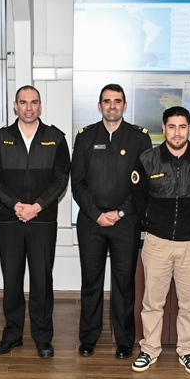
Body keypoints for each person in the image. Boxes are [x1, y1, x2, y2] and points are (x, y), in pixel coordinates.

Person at [130, 106, 190, 376]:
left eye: (182, 127)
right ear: (164, 128)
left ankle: (187, 350)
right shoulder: (147, 159)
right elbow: (138, 199)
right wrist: (150, 224)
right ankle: (149, 349)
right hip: (157, 242)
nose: (177, 133)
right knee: (152, 302)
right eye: (171, 127)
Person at [0, 85, 70, 359]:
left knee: (41, 280)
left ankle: (43, 337)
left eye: (34, 102)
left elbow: (61, 180)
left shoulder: (55, 138)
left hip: (42, 220)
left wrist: (37, 207)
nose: (29, 107)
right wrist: (15, 205)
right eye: (23, 102)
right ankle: (12, 335)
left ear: (40, 105)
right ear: (15, 105)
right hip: (9, 220)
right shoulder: (1, 138)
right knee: (12, 279)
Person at [71, 84, 152, 359]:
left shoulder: (139, 138)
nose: (112, 106)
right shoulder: (85, 137)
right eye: (107, 101)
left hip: (126, 222)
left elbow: (142, 184)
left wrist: (120, 213)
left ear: (125, 106)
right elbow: (78, 183)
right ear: (99, 106)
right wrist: (96, 213)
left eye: (117, 101)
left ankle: (124, 340)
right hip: (91, 221)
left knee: (124, 284)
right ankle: (88, 337)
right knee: (91, 282)